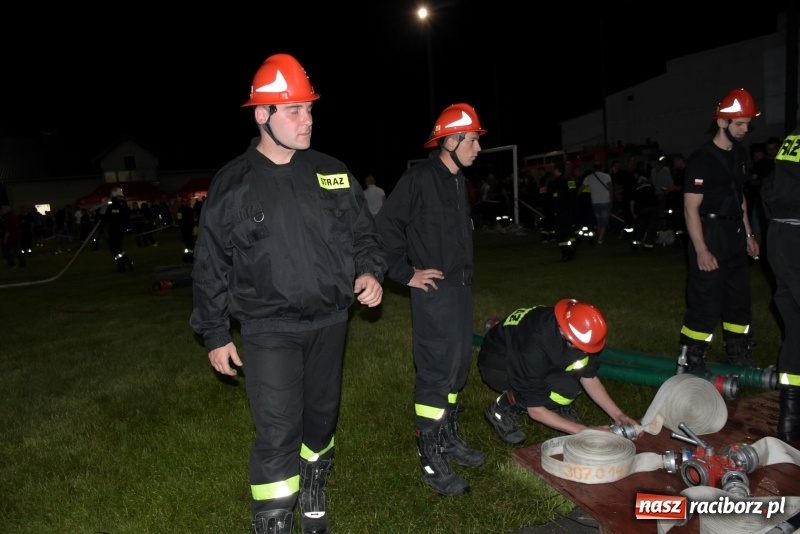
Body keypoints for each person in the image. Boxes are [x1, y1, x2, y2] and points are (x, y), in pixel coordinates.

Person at [189, 53, 387, 534]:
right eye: (295, 110)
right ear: (263, 115)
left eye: (310, 109)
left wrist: (370, 272)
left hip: (329, 322)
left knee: (320, 419)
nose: (308, 120)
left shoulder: (332, 170)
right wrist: (216, 333)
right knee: (279, 430)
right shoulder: (232, 183)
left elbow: (364, 235)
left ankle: (314, 482)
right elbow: (211, 262)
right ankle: (273, 519)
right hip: (267, 327)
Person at [374, 102, 487, 497]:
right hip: (434, 293)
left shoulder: (458, 182)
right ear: (452, 140)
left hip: (460, 289)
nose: (477, 148)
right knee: (435, 372)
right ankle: (429, 456)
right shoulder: (420, 178)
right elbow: (386, 226)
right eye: (472, 140)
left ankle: (448, 437)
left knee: (456, 369)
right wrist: (406, 273)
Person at [677, 88, 761, 373]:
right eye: (739, 123)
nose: (745, 129)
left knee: (739, 297)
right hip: (709, 231)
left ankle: (739, 353)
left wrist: (749, 234)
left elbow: (740, 195)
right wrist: (701, 249)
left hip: (735, 233)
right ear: (722, 122)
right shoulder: (701, 159)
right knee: (706, 298)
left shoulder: (740, 154)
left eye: (748, 123)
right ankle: (693, 358)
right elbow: (690, 208)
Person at [479, 299, 638, 442]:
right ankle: (503, 406)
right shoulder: (534, 346)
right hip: (497, 364)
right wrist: (585, 431)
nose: (586, 352)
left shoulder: (573, 329)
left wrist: (619, 415)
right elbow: (535, 410)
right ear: (564, 333)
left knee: (566, 389)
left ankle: (556, 408)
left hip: (531, 354)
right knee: (543, 393)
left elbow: (589, 377)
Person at [760, 129, 800, 442]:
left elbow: (769, 184)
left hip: (780, 236)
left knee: (796, 329)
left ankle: (789, 422)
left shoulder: (794, 138)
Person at [548, 160, 579, 261]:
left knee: (562, 233)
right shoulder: (570, 180)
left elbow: (555, 197)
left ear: (556, 170)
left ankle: (566, 253)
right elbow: (574, 195)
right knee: (570, 232)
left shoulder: (557, 182)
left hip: (562, 212)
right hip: (571, 211)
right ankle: (571, 251)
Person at [102, 187, 134, 273]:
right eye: (120, 196)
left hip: (116, 231)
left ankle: (125, 265)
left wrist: (100, 217)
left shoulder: (115, 207)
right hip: (117, 230)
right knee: (116, 250)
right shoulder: (119, 206)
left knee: (116, 249)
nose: (121, 198)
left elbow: (108, 218)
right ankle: (124, 265)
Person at [581, 162, 613, 245]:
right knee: (604, 221)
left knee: (599, 221)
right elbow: (610, 188)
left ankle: (600, 237)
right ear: (602, 168)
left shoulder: (588, 177)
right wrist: (611, 198)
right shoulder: (606, 176)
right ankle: (600, 239)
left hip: (595, 201)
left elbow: (581, 188)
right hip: (605, 200)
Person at [629, 174, 659, 251]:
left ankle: (635, 245)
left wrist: (633, 213)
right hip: (653, 208)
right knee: (651, 228)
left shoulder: (635, 188)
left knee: (640, 227)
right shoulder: (651, 185)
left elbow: (632, 201)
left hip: (642, 209)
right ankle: (648, 246)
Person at [1, 204, 25, 268]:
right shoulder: (13, 216)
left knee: (5, 251)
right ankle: (22, 263)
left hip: (11, 238)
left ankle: (12, 263)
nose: (2, 211)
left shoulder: (8, 217)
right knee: (17, 251)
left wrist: (5, 238)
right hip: (15, 237)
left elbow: (8, 228)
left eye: (3, 209)